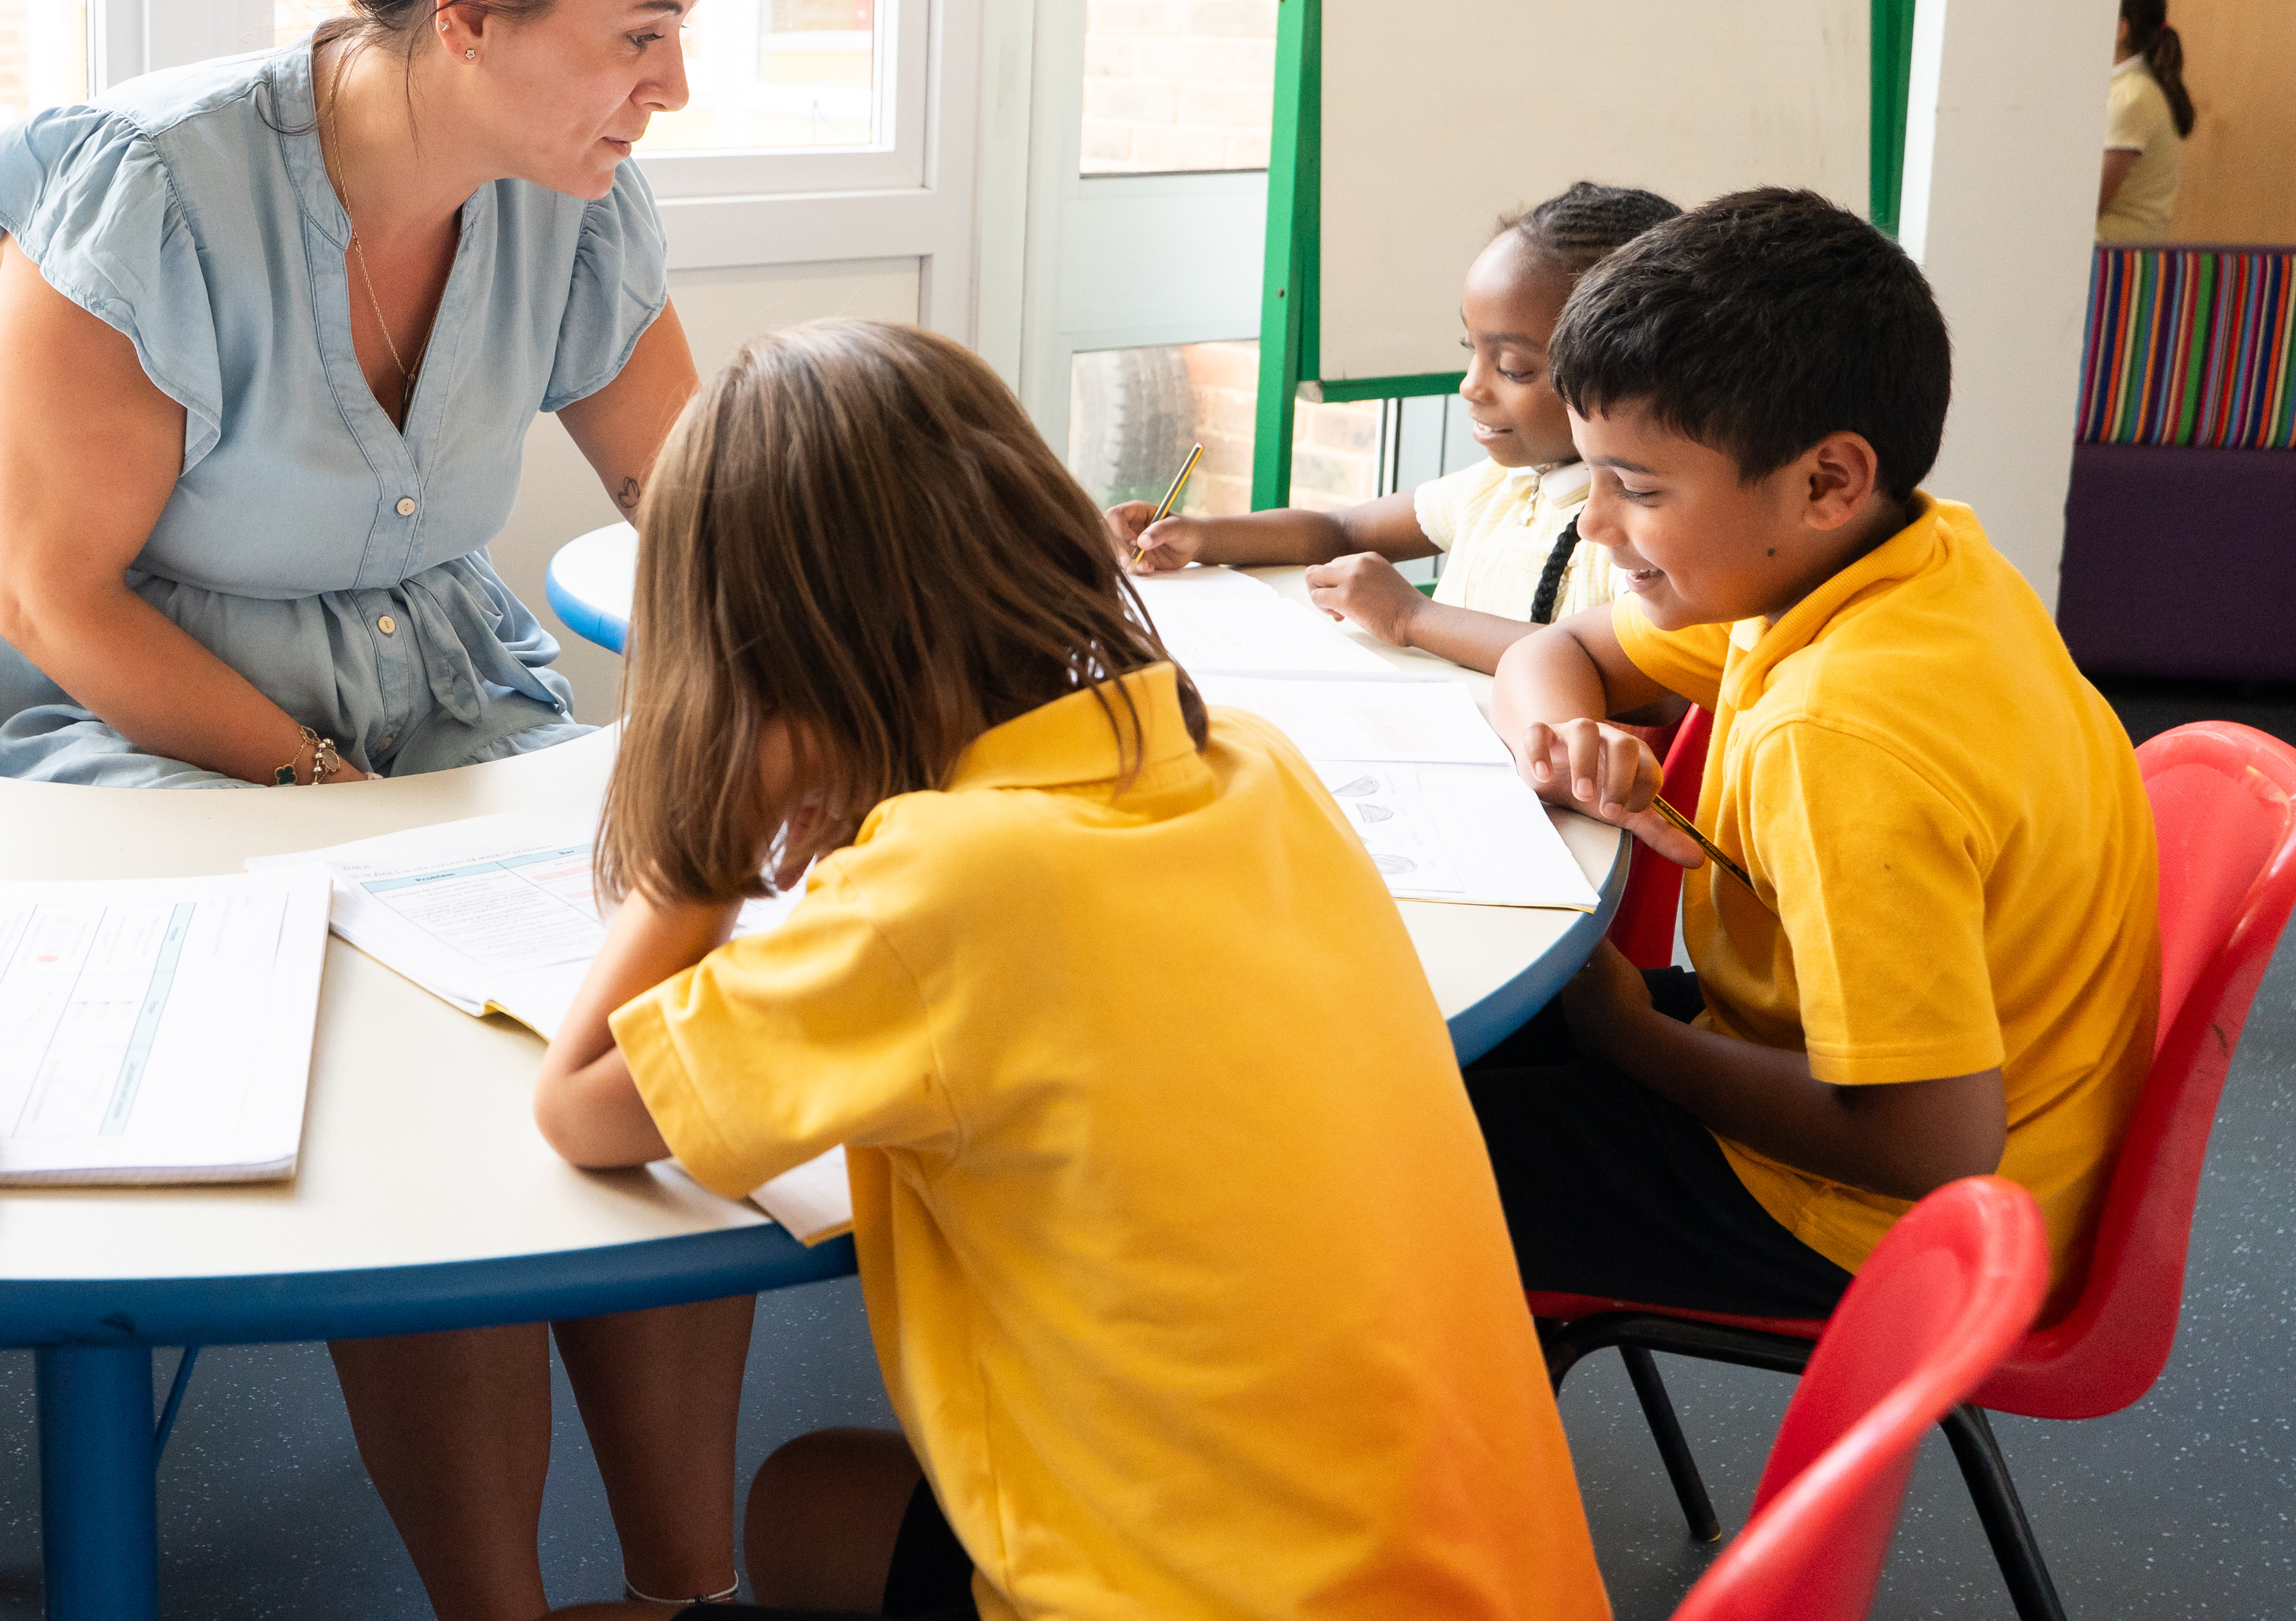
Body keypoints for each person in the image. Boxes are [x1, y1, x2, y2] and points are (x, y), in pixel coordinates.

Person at [0, 0, 743, 1618]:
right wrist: (336, 801)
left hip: (424, 689)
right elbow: (56, 598)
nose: (672, 84)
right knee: (428, 1073)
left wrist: (837, 678)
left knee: (661, 1000)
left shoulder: (578, 192)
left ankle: (694, 1597)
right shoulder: (152, 194)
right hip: (124, 715)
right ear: (471, 6)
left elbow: (695, 507)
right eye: (639, 28)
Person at [531, 320, 1609, 1621]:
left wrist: (704, 831)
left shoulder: (940, 891)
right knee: (811, 1505)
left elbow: (583, 1103)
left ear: (762, 665)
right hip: (1484, 1577)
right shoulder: (1249, 762)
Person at [1481, 189, 2160, 1316]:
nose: (1595, 526)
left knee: (1369, 1159)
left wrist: (1629, 1038)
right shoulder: (1897, 557)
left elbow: (1928, 1146)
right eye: (1591, 475)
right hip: (1872, 1096)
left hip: (1895, 1222)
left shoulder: (1847, 730)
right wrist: (1563, 740)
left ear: (1827, 481)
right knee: (1411, 1057)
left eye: (1635, 489)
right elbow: (1558, 650)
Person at [1112, 181, 1678, 673]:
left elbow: (1624, 671)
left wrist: (1415, 617)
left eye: (1512, 369)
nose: (1471, 386)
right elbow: (1341, 530)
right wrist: (1204, 537)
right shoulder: (1498, 488)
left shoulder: (1637, 532)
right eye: (1471, 351)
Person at [2100, 0, 2195, 243]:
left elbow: (2089, 205)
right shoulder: (2125, 88)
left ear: (2120, 29)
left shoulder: (2131, 97)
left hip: (2121, 261)